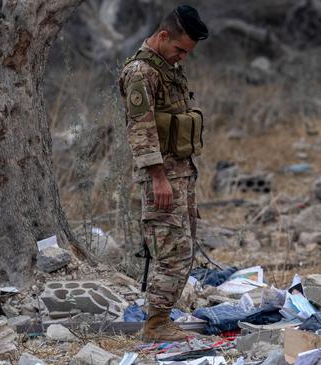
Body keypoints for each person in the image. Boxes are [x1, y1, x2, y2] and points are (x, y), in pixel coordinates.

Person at [118, 5, 208, 342]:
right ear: (163, 35)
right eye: (180, 49)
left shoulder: (167, 68)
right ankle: (155, 325)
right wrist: (158, 178)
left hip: (180, 174)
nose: (182, 57)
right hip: (161, 178)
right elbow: (140, 131)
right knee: (174, 251)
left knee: (185, 247)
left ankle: (162, 319)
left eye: (187, 53)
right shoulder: (141, 72)